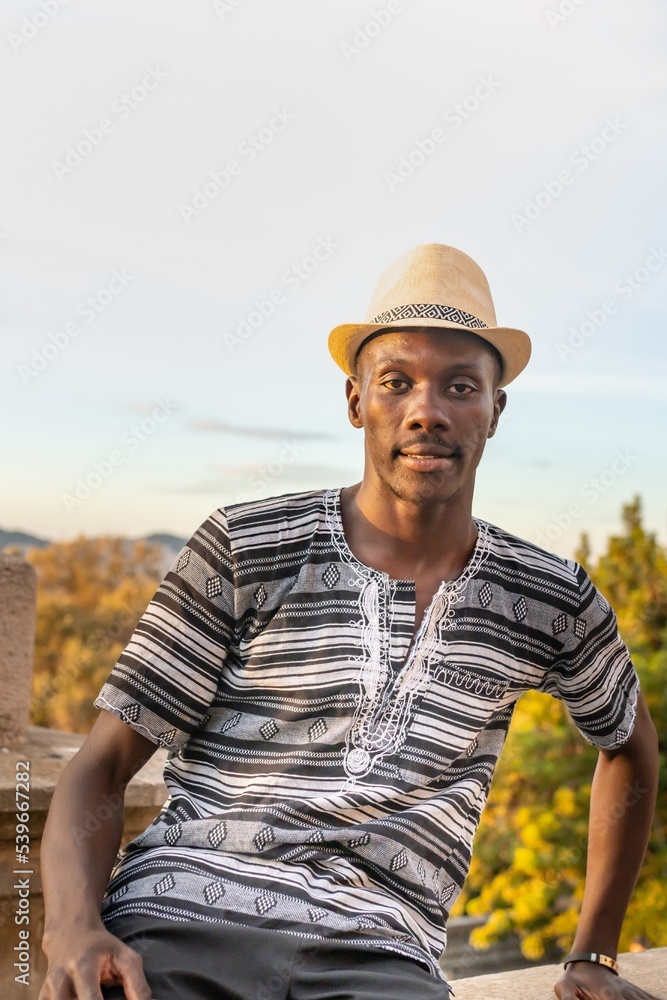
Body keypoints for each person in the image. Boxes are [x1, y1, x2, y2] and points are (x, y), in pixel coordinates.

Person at [39, 244, 661, 1000]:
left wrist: (592, 954)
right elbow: (102, 765)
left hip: (379, 958)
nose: (426, 410)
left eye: (460, 386)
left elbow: (629, 747)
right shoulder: (244, 545)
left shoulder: (549, 598)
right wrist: (73, 926)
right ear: (355, 400)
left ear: (495, 411)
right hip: (174, 925)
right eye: (396, 382)